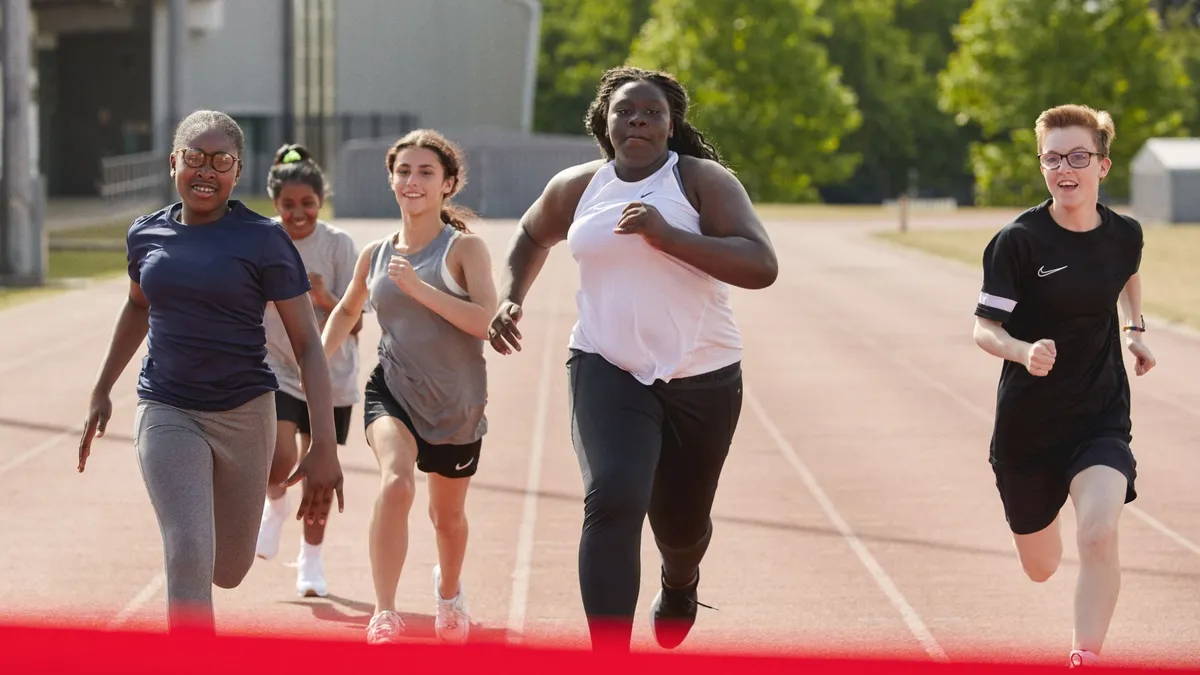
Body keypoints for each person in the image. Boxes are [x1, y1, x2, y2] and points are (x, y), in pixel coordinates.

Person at [486, 66, 779, 652]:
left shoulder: (701, 182)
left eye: (652, 112)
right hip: (605, 364)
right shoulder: (580, 186)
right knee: (614, 496)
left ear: (671, 126)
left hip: (702, 373)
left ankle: (681, 580)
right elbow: (530, 234)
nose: (638, 120)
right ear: (606, 123)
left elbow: (761, 265)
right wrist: (511, 297)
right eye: (626, 111)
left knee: (681, 526)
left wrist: (669, 236)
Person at [77, 110, 345, 634]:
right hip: (167, 406)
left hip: (245, 413)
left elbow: (309, 346)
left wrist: (325, 445)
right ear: (173, 162)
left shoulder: (264, 240)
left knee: (229, 568)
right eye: (193, 158)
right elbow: (137, 307)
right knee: (188, 550)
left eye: (220, 160)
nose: (205, 170)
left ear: (237, 170)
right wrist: (102, 387)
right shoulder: (146, 234)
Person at [972, 103, 1156, 669]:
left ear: (1102, 165)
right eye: (1052, 158)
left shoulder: (1124, 233)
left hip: (1099, 416)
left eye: (1078, 156)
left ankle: (1086, 656)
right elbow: (984, 327)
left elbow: (1126, 272)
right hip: (1028, 429)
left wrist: (1135, 331)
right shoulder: (1019, 242)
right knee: (1041, 566)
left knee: (1098, 532)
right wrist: (1022, 351)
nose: (1064, 168)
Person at [322, 128, 497, 645]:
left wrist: (418, 288)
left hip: (456, 405)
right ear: (391, 180)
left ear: (448, 184)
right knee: (396, 483)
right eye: (404, 171)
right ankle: (385, 612)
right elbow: (347, 311)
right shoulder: (374, 254)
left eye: (426, 172)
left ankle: (448, 594)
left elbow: (485, 321)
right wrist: (308, 367)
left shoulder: (465, 250)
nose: (412, 181)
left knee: (448, 518)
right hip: (391, 389)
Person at [254, 143, 363, 599]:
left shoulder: (338, 246)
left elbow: (356, 322)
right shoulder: (263, 241)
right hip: (277, 367)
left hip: (331, 376)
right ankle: (274, 504)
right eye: (288, 205)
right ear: (275, 204)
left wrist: (321, 298)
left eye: (308, 204)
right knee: (276, 459)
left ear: (322, 201)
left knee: (319, 473)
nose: (298, 214)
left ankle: (311, 561)